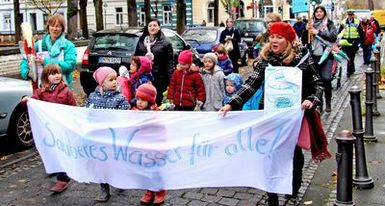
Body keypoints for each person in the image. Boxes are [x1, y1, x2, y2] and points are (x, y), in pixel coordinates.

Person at [219, 22, 324, 206]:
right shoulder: (264, 59)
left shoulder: (303, 59)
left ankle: (293, 187)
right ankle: (272, 195)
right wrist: (232, 103)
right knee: (269, 154)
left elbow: (318, 84)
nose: (274, 40)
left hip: (293, 115)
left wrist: (311, 99)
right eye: (272, 36)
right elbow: (250, 84)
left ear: (289, 41)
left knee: (294, 154)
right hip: (269, 113)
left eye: (279, 37)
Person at [22, 64, 76, 193]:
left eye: (58, 73)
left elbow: (74, 109)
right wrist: (25, 100)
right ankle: (55, 170)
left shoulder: (66, 91)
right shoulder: (41, 92)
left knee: (61, 151)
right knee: (52, 151)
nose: (57, 75)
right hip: (48, 129)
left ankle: (63, 179)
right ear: (46, 77)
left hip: (62, 128)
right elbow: (32, 103)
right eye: (53, 73)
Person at [85, 66, 130, 202]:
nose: (115, 82)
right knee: (102, 164)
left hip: (114, 138)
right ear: (101, 82)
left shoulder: (120, 98)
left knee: (116, 162)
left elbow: (125, 116)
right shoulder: (92, 97)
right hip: (99, 139)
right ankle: (104, 189)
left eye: (115, 79)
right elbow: (86, 113)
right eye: (111, 80)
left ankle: (119, 180)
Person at [20, 14, 77, 90]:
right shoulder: (38, 45)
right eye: (52, 25)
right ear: (48, 27)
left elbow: (69, 66)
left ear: (62, 29)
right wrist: (27, 73)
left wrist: (45, 61)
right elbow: (25, 59)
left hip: (63, 90)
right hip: (42, 90)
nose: (54, 29)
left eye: (58, 26)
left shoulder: (68, 46)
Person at [303, 6, 337, 113]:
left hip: (327, 54)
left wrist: (318, 32)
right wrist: (306, 30)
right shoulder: (310, 24)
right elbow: (305, 40)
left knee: (326, 78)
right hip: (314, 55)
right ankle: (320, 102)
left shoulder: (329, 23)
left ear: (324, 13)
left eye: (321, 11)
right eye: (317, 11)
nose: (318, 13)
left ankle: (328, 102)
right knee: (318, 80)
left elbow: (333, 37)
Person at [134, 18, 174, 105]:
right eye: (150, 26)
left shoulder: (166, 42)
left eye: (155, 25)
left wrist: (170, 80)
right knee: (144, 100)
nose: (152, 28)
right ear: (147, 28)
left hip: (159, 77)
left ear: (159, 27)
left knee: (156, 100)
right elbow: (136, 58)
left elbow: (169, 63)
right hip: (143, 77)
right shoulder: (141, 40)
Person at [339, 10, 361, 77]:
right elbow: (340, 32)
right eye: (349, 15)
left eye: (351, 15)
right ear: (347, 15)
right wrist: (339, 40)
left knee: (352, 57)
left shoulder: (357, 22)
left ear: (353, 15)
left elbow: (361, 32)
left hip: (354, 41)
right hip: (346, 41)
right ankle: (349, 71)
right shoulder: (343, 22)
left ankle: (352, 69)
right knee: (349, 56)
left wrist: (359, 42)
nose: (350, 16)